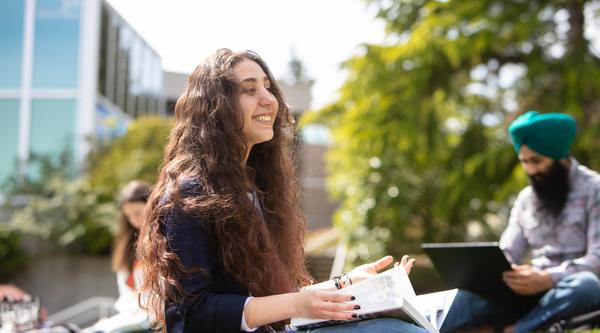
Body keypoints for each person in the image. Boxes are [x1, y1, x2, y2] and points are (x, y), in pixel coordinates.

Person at [136, 49, 426, 333]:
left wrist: (346, 283)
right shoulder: (187, 195)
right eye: (249, 90)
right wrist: (298, 303)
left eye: (268, 87)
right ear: (216, 107)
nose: (268, 99)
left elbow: (278, 300)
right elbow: (194, 313)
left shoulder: (255, 190)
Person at [441, 111, 600, 333]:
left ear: (561, 157)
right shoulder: (527, 198)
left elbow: (597, 259)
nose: (531, 170)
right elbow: (508, 252)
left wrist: (547, 278)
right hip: (528, 292)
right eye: (524, 162)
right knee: (465, 298)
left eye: (537, 161)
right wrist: (496, 275)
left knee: (587, 285)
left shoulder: (594, 189)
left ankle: (517, 331)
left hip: (568, 290)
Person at [84, 180, 152, 333]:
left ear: (152, 205)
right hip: (132, 316)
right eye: (128, 216)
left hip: (154, 319)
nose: (134, 220)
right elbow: (126, 292)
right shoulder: (127, 247)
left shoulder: (165, 240)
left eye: (138, 213)